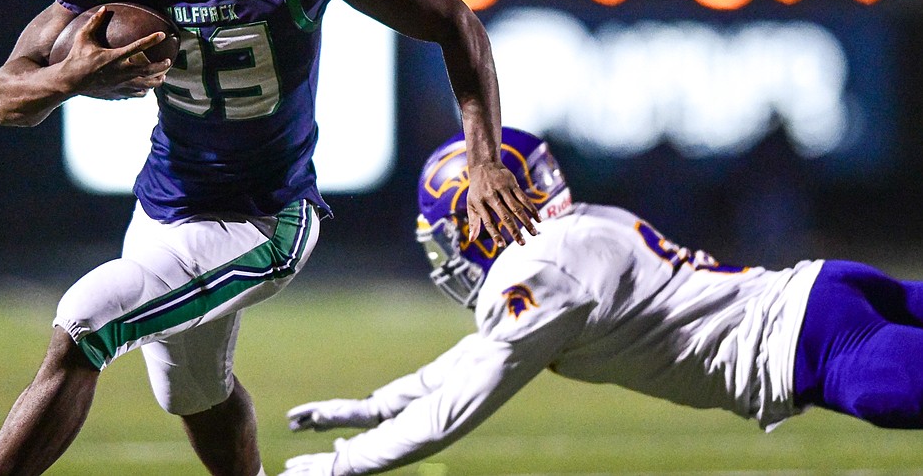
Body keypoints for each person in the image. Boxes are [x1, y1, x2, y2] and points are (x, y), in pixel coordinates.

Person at [0, 0, 537, 476]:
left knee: (84, 324)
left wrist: (483, 155)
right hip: (166, 203)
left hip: (264, 216)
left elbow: (454, 21)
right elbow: (7, 95)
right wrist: (69, 77)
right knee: (196, 392)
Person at [281, 128, 923, 475]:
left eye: (454, 232)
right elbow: (475, 357)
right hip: (819, 297)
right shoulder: (571, 236)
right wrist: (374, 406)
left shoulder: (543, 268)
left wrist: (335, 468)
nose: (449, 252)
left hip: (813, 345)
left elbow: (455, 408)